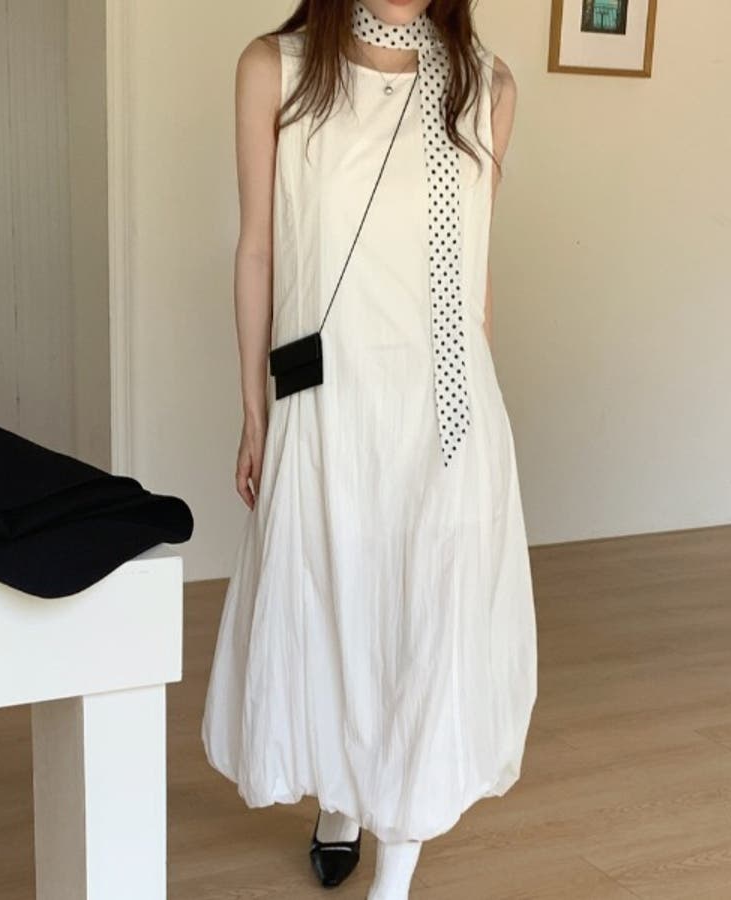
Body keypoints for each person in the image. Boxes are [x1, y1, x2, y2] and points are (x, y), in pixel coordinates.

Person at [201, 2, 537, 897]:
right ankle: (342, 799)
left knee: (428, 624)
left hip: (446, 411)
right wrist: (253, 413)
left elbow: (474, 270)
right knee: (335, 605)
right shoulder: (276, 69)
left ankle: (396, 872)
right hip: (330, 405)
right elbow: (258, 251)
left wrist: (479, 413)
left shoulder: (487, 86)